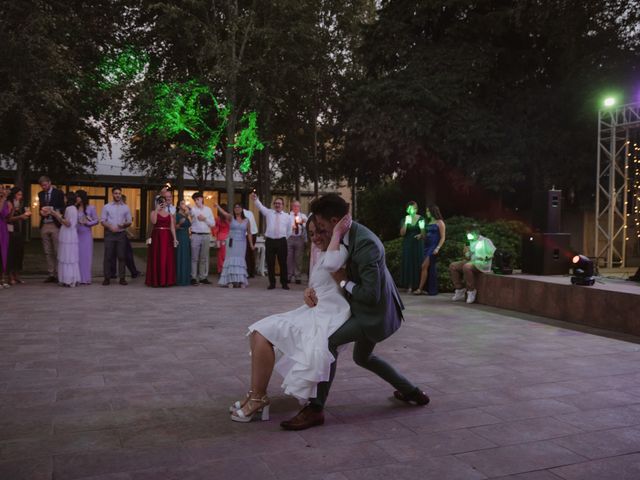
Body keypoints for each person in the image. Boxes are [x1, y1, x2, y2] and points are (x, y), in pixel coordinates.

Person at [280, 194, 429, 431]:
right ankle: (412, 391)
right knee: (363, 357)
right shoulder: (343, 234)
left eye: (321, 225)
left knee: (327, 342)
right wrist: (311, 289)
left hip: (374, 313)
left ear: (335, 220)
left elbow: (370, 295)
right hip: (360, 308)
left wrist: (342, 282)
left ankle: (315, 409)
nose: (319, 231)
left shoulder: (366, 243)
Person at [229, 215, 351, 422]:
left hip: (328, 316)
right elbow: (319, 282)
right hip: (313, 310)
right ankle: (255, 394)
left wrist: (337, 233)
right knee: (258, 331)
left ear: (332, 227)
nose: (315, 238)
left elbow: (333, 267)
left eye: (320, 231)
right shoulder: (322, 252)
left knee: (262, 332)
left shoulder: (339, 250)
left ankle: (258, 398)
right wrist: (308, 291)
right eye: (311, 233)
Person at [251, 193, 291, 290]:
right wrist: (255, 199)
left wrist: (284, 238)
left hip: (281, 241)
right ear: (274, 204)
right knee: (270, 262)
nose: (277, 205)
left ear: (283, 205)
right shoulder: (269, 213)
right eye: (276, 203)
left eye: (279, 203)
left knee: (283, 263)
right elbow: (260, 206)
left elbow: (289, 230)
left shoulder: (287, 216)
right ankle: (272, 283)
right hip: (270, 241)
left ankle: (284, 283)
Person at [449, 225, 496, 304]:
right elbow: (468, 257)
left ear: (475, 233)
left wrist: (484, 258)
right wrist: (466, 251)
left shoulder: (485, 241)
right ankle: (459, 289)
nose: (468, 235)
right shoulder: (470, 241)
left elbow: (492, 254)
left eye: (469, 233)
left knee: (467, 267)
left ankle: (471, 291)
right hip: (471, 262)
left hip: (482, 263)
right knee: (453, 266)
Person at [216, 203, 254, 288]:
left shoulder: (247, 220)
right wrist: (218, 207)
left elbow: (249, 233)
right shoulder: (231, 218)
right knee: (231, 260)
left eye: (239, 207)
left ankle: (240, 281)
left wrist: (251, 244)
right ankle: (230, 281)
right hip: (232, 242)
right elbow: (224, 213)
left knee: (240, 261)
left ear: (242, 209)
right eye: (235, 207)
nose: (237, 209)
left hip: (242, 243)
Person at [101, 187, 132, 286]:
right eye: (115, 193)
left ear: (121, 194)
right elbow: (102, 221)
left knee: (122, 256)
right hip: (110, 234)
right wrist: (110, 227)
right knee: (108, 256)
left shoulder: (126, 207)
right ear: (112, 194)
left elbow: (129, 221)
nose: (117, 195)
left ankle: (122, 278)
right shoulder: (107, 207)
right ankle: (107, 278)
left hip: (121, 234)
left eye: (119, 193)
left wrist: (124, 225)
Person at [145, 192, 178, 287]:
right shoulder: (153, 212)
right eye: (160, 202)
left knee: (166, 258)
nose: (162, 203)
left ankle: (167, 280)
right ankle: (156, 280)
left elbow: (172, 227)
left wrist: (175, 239)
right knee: (157, 257)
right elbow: (154, 221)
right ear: (157, 203)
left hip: (167, 237)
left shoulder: (169, 214)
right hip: (157, 237)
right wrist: (156, 210)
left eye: (163, 202)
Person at [37, 176, 65, 282]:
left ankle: (59, 273)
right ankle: (51, 273)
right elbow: (40, 207)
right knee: (47, 251)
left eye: (45, 185)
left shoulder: (58, 193)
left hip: (55, 224)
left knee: (57, 250)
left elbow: (63, 207)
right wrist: (41, 211)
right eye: (42, 186)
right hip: (44, 224)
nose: (44, 187)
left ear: (50, 182)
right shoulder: (40, 194)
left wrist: (52, 210)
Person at [50, 191, 81, 287]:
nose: (64, 199)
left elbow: (68, 223)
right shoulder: (74, 209)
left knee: (66, 256)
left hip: (67, 234)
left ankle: (67, 279)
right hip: (72, 234)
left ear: (68, 199)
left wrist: (56, 215)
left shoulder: (69, 208)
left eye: (65, 198)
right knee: (71, 257)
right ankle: (72, 278)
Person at [414, 205, 446, 296]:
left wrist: (438, 248)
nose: (427, 213)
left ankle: (420, 289)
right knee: (428, 268)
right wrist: (420, 236)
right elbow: (426, 235)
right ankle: (428, 289)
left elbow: (443, 237)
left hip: (433, 247)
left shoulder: (440, 222)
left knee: (424, 266)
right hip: (426, 246)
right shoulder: (430, 222)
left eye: (428, 211)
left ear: (432, 212)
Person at [109, 194, 141, 279]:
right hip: (121, 235)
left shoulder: (117, 209)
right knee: (127, 254)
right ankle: (133, 272)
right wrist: (129, 233)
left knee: (113, 254)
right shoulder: (122, 210)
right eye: (125, 200)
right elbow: (122, 225)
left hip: (116, 234)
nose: (126, 202)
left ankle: (112, 273)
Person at [7, 187, 32, 285]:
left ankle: (17, 275)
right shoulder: (9, 203)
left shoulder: (19, 204)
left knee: (19, 253)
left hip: (19, 230)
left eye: (21, 195)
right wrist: (19, 215)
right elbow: (8, 219)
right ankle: (10, 276)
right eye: (18, 194)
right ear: (14, 194)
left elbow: (21, 216)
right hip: (10, 231)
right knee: (11, 253)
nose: (20, 197)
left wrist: (24, 216)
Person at [189, 192, 215, 285]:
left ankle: (203, 277)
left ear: (202, 199)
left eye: (198, 199)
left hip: (206, 235)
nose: (196, 201)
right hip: (195, 235)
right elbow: (190, 214)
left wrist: (204, 219)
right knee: (194, 257)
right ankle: (193, 277)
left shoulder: (208, 210)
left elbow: (213, 224)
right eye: (195, 200)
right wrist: (190, 210)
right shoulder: (193, 210)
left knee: (203, 257)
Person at [400, 201, 424, 293]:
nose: (412, 210)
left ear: (416, 208)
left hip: (418, 244)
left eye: (414, 208)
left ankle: (418, 285)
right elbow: (402, 233)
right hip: (408, 243)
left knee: (418, 261)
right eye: (410, 208)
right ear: (407, 210)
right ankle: (409, 285)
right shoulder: (404, 219)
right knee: (408, 262)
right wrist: (406, 223)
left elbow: (424, 233)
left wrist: (420, 235)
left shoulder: (421, 218)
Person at [75, 190, 98, 285]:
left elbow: (96, 220)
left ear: (83, 197)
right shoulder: (74, 208)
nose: (76, 198)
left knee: (86, 257)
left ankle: (86, 278)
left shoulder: (91, 208)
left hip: (86, 235)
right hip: (75, 234)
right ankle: (77, 277)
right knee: (77, 257)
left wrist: (87, 223)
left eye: (78, 196)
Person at [287, 200, 308, 284]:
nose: (296, 208)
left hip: (299, 238)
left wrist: (303, 223)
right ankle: (289, 275)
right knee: (289, 257)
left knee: (298, 258)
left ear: (300, 207)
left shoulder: (303, 216)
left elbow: (307, 226)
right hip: (290, 237)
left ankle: (297, 276)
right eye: (294, 206)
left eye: (298, 206)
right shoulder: (288, 216)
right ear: (292, 207)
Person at [175, 200, 192, 286]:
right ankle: (179, 279)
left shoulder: (186, 215)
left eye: (184, 203)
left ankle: (186, 278)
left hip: (186, 237)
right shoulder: (176, 215)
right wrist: (179, 224)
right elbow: (174, 227)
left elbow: (190, 224)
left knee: (186, 256)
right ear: (178, 206)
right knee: (180, 256)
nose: (184, 205)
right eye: (182, 203)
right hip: (180, 236)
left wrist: (188, 215)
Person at [212, 204, 230, 275]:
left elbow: (214, 229)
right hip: (228, 237)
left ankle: (221, 270)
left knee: (220, 256)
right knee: (227, 255)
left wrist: (215, 235)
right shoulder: (229, 219)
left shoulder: (217, 219)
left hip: (220, 238)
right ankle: (227, 270)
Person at [0, 186, 11, 287]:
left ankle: (2, 278)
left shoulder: (5, 202)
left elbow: (6, 215)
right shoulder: (2, 201)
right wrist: (3, 199)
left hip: (3, 228)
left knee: (3, 252)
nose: (2, 191)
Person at [243, 206, 258, 278]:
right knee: (251, 253)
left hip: (247, 234)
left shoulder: (242, 214)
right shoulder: (250, 212)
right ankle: (252, 272)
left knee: (246, 254)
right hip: (254, 233)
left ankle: (248, 272)